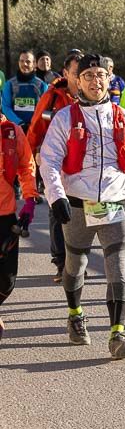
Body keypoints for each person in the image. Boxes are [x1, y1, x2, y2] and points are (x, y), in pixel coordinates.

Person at [37, 54, 125, 360]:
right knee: (75, 266)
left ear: (109, 79)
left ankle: (118, 333)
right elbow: (48, 161)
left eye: (100, 75)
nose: (95, 81)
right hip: (77, 203)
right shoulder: (64, 119)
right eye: (88, 75)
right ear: (78, 81)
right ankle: (75, 314)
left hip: (117, 202)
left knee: (118, 270)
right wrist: (57, 197)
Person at [28, 51, 83, 282]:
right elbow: (35, 129)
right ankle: (61, 262)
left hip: (83, 165)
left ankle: (78, 260)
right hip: (55, 162)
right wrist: (32, 161)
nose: (82, 78)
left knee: (80, 211)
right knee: (57, 209)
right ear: (66, 73)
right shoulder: (52, 97)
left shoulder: (94, 97)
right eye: (77, 73)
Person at [0, 116, 38, 341]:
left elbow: (26, 166)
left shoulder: (11, 131)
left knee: (7, 280)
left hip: (5, 214)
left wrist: (31, 199)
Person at [1, 50, 49, 131]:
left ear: (34, 63)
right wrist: (20, 123)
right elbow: (6, 107)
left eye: (28, 61)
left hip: (35, 130)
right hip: (14, 130)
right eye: (22, 61)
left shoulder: (42, 86)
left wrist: (33, 124)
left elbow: (45, 108)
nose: (24, 64)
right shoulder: (9, 84)